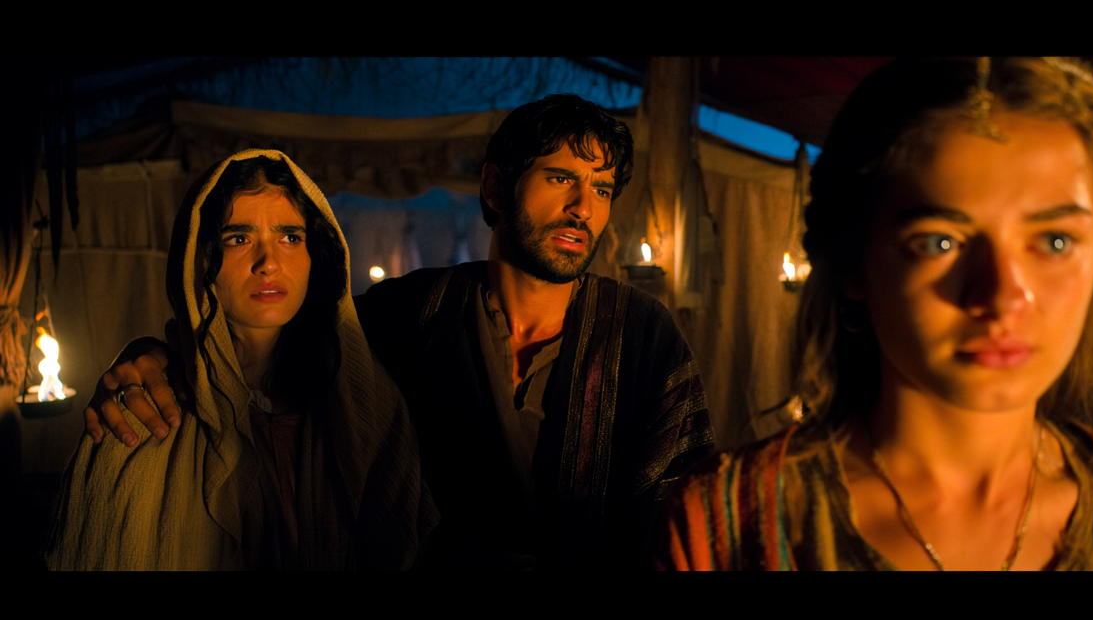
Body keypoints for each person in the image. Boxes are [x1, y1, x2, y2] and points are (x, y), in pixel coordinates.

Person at [84, 96, 713, 570]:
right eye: (560, 178)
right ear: (496, 186)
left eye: (601, 188)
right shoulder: (412, 314)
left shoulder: (644, 336)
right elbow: (264, 349)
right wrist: (157, 357)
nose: (584, 207)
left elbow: (688, 510)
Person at [658, 58, 1093, 571]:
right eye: (939, 242)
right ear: (853, 265)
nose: (1003, 296)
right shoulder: (724, 530)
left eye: (1055, 241)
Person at [48, 150, 435, 570]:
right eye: (238, 238)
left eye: (290, 237)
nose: (268, 263)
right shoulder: (147, 408)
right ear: (200, 258)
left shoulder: (367, 400)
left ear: (317, 254)